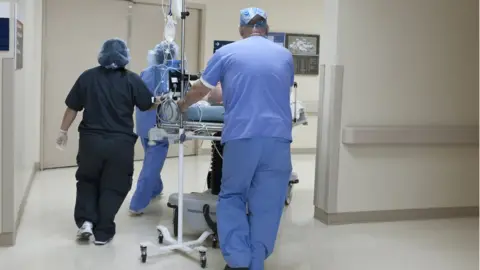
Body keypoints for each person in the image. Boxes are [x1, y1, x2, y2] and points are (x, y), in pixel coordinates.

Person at [176, 7, 294, 270]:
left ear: (242, 29)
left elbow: (201, 90)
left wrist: (182, 104)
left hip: (242, 137)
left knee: (233, 197)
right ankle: (256, 261)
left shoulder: (227, 52)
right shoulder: (285, 55)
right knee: (269, 201)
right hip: (278, 139)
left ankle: (238, 260)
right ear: (266, 27)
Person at [55, 38, 161, 245]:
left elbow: (72, 107)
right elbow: (146, 104)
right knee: (114, 184)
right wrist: (157, 102)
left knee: (87, 180)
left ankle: (86, 221)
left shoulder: (87, 77)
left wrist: (63, 130)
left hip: (90, 142)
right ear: (125, 57)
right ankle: (103, 232)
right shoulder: (131, 80)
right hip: (119, 144)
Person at [129, 41, 179, 215]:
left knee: (151, 159)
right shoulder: (172, 73)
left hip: (143, 124)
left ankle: (156, 189)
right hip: (160, 126)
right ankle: (137, 204)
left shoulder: (145, 72)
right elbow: (174, 98)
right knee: (151, 165)